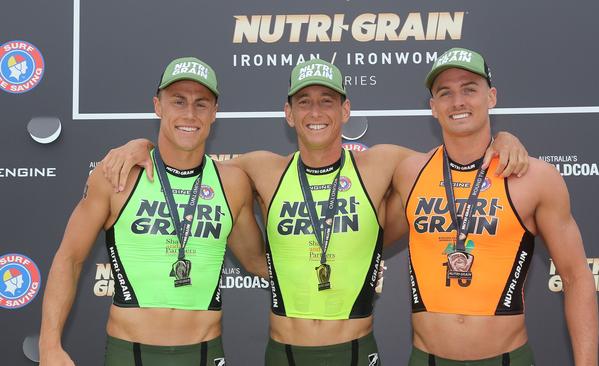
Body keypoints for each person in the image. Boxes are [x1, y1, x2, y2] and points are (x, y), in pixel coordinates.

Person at [100, 58, 529, 365]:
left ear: (346, 110)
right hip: (283, 352)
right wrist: (141, 147)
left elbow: (456, 159)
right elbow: (187, 160)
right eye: (303, 102)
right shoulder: (260, 168)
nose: (316, 112)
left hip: (357, 351)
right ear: (288, 114)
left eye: (327, 101)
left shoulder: (383, 163)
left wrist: (503, 139)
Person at [38, 57, 267, 366]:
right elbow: (70, 259)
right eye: (178, 101)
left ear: (214, 113)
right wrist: (49, 345)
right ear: (158, 106)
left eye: (201, 104)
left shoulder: (232, 182)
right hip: (130, 354)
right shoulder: (116, 175)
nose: (189, 114)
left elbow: (256, 261)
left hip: (205, 353)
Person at [388, 47, 599, 365]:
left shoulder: (535, 177)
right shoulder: (409, 171)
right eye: (445, 93)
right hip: (427, 358)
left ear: (492, 97)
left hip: (505, 358)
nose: (458, 101)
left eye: (469, 89)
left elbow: (576, 277)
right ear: (433, 107)